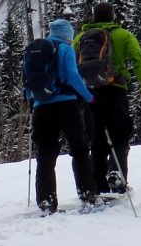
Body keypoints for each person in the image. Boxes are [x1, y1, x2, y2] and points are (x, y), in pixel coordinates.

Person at [74, 1, 141, 193]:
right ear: (113, 16)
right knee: (120, 135)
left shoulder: (79, 38)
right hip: (115, 90)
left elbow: (72, 67)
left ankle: (98, 185)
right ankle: (116, 174)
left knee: (97, 138)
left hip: (89, 94)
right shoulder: (123, 35)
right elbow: (138, 60)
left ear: (94, 17)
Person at [26, 18, 98, 214]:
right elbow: (73, 76)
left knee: (45, 154)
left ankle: (46, 202)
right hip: (67, 106)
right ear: (67, 34)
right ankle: (88, 194)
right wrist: (88, 96)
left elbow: (28, 83)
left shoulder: (35, 50)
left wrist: (34, 102)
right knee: (80, 149)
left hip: (41, 108)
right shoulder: (65, 49)